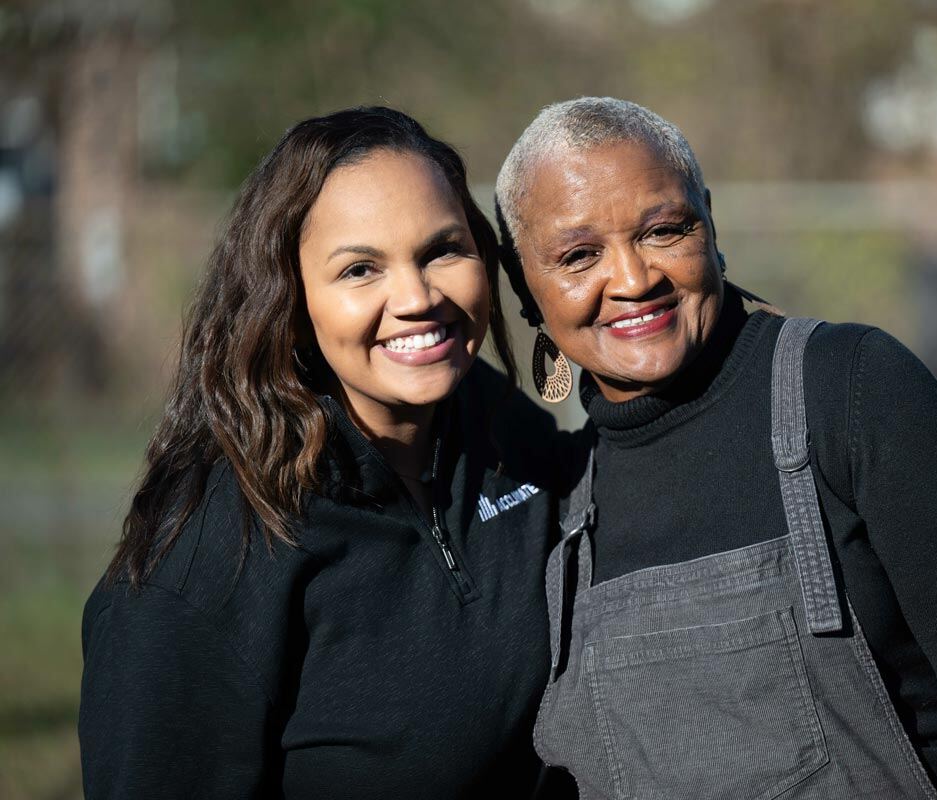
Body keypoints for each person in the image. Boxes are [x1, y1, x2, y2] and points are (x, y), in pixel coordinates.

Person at [495, 97, 937, 800]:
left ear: (710, 223)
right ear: (524, 289)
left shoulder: (851, 388)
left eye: (664, 230)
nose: (633, 280)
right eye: (578, 255)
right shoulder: (554, 502)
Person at [79, 106, 572, 799]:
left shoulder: (500, 429)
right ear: (289, 300)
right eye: (361, 269)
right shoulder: (203, 565)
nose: (417, 297)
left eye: (441, 251)